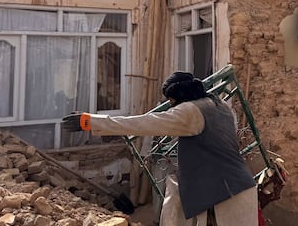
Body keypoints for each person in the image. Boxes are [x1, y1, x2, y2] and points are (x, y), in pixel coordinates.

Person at [62, 72, 257, 226]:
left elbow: (143, 124)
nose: (170, 105)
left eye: (171, 100)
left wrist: (90, 121)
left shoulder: (189, 111)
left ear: (179, 96)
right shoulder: (219, 104)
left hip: (224, 194)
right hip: (237, 187)